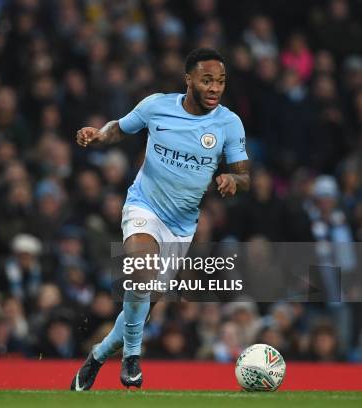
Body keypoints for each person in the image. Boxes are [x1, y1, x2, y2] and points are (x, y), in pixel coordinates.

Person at [70, 48, 250, 390]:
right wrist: (99, 134)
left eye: (221, 81)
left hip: (182, 227)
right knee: (139, 267)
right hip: (144, 206)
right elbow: (119, 128)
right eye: (207, 80)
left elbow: (245, 175)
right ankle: (132, 359)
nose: (214, 88)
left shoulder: (228, 123)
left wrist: (232, 181)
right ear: (189, 80)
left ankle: (97, 355)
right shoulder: (157, 106)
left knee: (140, 307)